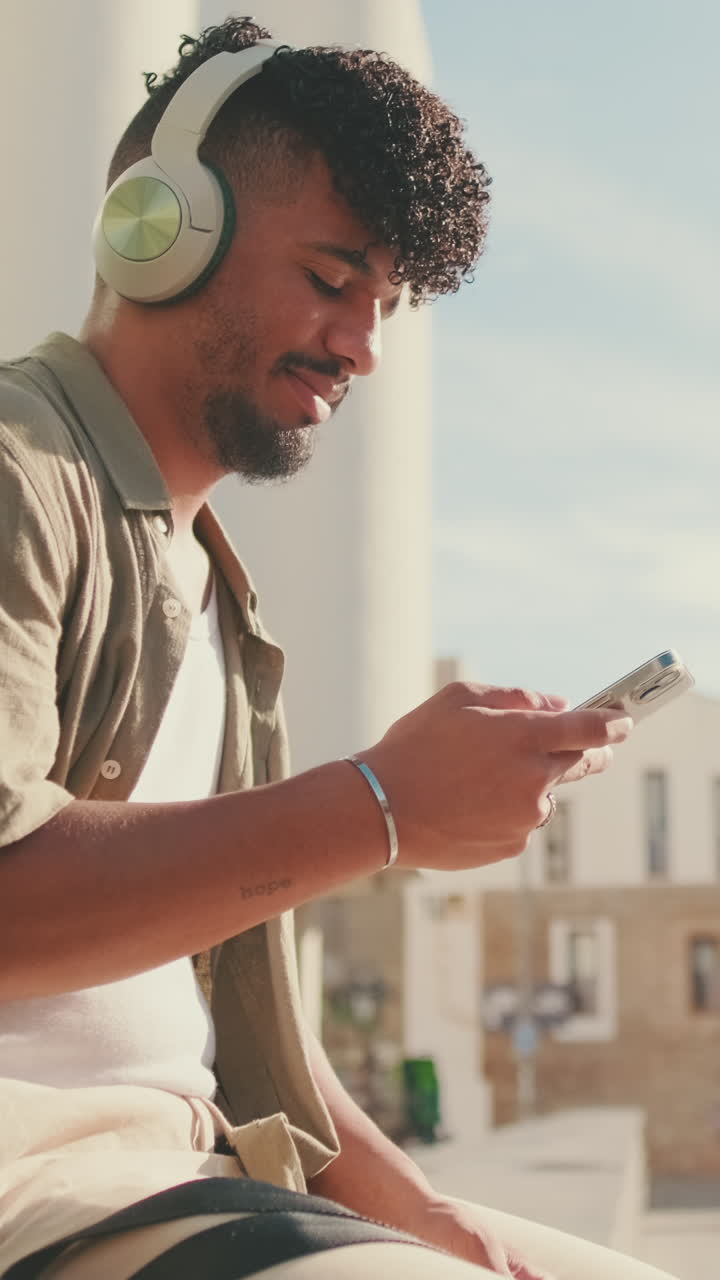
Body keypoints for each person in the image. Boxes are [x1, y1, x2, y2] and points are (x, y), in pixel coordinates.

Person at [0, 17, 675, 1280]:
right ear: (162, 225)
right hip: (41, 1196)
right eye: (330, 277)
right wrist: (377, 805)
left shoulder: (219, 600)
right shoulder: (17, 472)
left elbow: (250, 1030)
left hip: (186, 1176)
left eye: (385, 303)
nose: (363, 344)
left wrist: (426, 1206)